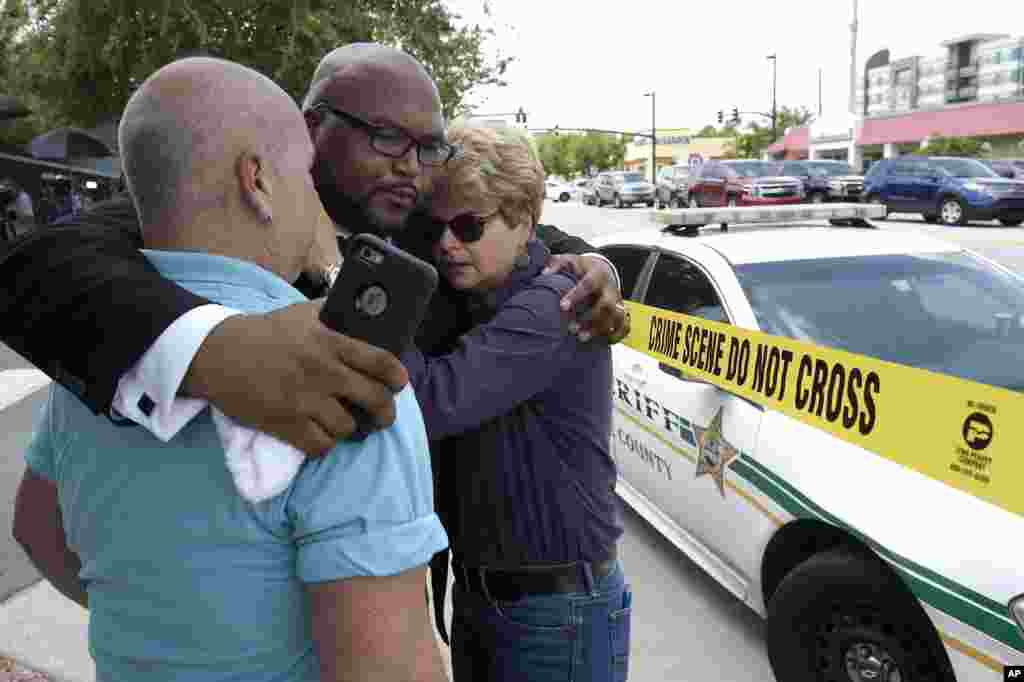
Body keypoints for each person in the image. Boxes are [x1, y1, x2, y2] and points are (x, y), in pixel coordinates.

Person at [12, 57, 449, 682]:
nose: (410, 163)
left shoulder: (98, 365)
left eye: (428, 147)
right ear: (259, 181)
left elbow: (36, 528)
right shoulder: (336, 374)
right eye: (305, 174)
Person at [0, 42, 628, 458]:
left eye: (427, 148)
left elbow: (510, 218)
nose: (412, 167)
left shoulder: (413, 223)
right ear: (310, 130)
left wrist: (591, 260)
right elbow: (38, 267)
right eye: (387, 139)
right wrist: (215, 353)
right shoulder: (213, 211)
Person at [405, 121, 630, 681]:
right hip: (490, 597)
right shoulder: (483, 291)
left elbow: (431, 401)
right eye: (438, 227)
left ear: (524, 221)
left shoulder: (554, 304)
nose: (446, 243)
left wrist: (368, 296)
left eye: (467, 226)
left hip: (555, 613)